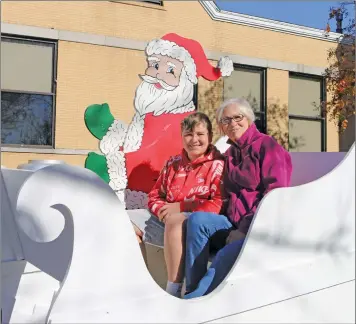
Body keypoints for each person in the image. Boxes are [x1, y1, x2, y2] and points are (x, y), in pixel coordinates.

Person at [183, 98, 293, 298]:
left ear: (249, 119)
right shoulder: (232, 153)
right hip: (233, 223)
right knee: (197, 220)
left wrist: (244, 229)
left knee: (225, 254)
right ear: (222, 127)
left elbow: (276, 196)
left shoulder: (267, 146)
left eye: (237, 117)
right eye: (226, 120)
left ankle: (194, 300)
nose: (232, 123)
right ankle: (192, 287)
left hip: (260, 228)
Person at [127, 112, 225, 298]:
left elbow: (218, 203)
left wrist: (181, 207)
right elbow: (155, 195)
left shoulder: (218, 165)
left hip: (197, 225)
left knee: (175, 220)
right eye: (188, 134)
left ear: (210, 136)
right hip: (166, 218)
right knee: (124, 221)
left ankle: (173, 290)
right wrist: (162, 211)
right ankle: (140, 281)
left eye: (200, 134)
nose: (194, 139)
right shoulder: (173, 164)